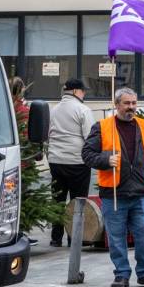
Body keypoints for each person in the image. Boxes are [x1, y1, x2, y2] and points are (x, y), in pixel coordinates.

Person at [81, 88, 144, 287]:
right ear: (116, 105)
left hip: (140, 192)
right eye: (127, 103)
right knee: (116, 237)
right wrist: (105, 160)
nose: (131, 107)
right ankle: (122, 274)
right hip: (114, 193)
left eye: (134, 103)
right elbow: (87, 153)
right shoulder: (102, 127)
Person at [47, 78, 96, 247]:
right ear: (76, 91)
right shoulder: (82, 110)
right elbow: (90, 137)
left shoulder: (53, 110)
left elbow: (48, 134)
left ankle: (55, 238)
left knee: (58, 200)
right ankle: (74, 238)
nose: (85, 94)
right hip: (77, 161)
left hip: (55, 161)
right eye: (83, 91)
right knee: (78, 201)